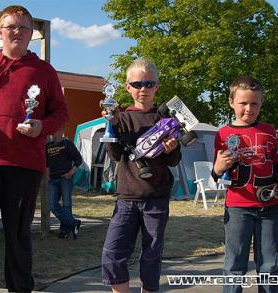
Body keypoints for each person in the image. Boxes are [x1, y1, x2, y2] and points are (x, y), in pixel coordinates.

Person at [0, 5, 69, 293]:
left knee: (19, 236)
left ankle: (20, 289)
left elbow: (60, 113)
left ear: (31, 33)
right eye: (11, 27)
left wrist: (41, 127)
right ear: (0, 31)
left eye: (23, 27)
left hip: (24, 165)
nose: (17, 32)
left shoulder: (44, 71)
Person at [212, 76, 278, 293]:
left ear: (261, 104)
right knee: (234, 265)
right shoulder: (223, 134)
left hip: (270, 207)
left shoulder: (270, 131)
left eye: (254, 103)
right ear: (231, 102)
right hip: (238, 207)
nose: (249, 108)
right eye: (243, 103)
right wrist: (219, 167)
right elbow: (217, 174)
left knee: (268, 264)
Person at [101, 59, 181, 293]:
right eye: (137, 84)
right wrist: (112, 124)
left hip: (156, 197)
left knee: (152, 255)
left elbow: (174, 161)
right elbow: (115, 155)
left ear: (157, 86)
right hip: (126, 197)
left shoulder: (166, 119)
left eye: (149, 83)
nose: (143, 89)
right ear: (127, 87)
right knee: (112, 253)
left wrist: (172, 148)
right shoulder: (121, 117)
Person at [46, 129, 83, 239]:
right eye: (51, 131)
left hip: (65, 178)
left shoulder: (67, 143)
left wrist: (70, 173)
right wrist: (47, 176)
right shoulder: (47, 146)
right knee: (52, 205)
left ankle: (65, 231)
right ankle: (74, 223)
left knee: (66, 205)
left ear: (61, 131)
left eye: (55, 131)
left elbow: (78, 160)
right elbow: (46, 163)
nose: (52, 133)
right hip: (52, 180)